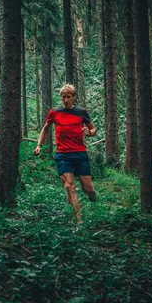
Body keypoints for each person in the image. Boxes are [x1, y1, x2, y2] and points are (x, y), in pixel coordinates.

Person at [34, 84, 98, 223]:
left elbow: (93, 129)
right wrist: (39, 145)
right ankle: (79, 220)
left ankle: (91, 193)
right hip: (63, 154)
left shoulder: (82, 112)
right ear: (60, 98)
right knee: (69, 186)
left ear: (74, 97)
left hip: (80, 153)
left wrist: (90, 133)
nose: (66, 99)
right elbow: (45, 129)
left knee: (87, 187)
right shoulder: (54, 113)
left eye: (69, 97)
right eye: (63, 97)